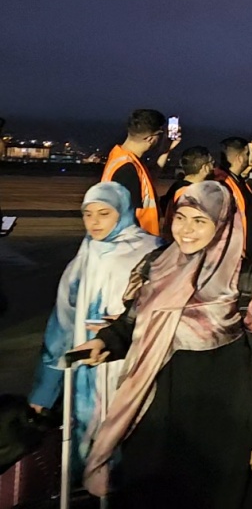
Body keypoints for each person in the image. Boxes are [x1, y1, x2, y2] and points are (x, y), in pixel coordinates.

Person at [79, 181, 252, 507]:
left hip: (219, 427)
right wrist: (105, 342)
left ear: (221, 224)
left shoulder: (245, 279)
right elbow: (132, 321)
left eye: (199, 221)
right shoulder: (157, 265)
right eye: (181, 218)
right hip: (152, 414)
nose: (186, 230)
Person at [28, 183, 161, 474]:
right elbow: (61, 325)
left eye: (104, 213)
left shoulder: (153, 252)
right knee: (89, 444)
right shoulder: (83, 259)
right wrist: (44, 392)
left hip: (133, 365)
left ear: (123, 212)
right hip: (88, 366)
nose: (95, 222)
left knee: (133, 445)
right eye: (87, 214)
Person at [101, 109, 179, 236]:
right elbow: (128, 218)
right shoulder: (127, 169)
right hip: (135, 244)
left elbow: (148, 178)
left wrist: (166, 149)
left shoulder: (123, 157)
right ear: (150, 139)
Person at [216, 137, 252, 264]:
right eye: (247, 154)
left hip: (243, 255)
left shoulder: (238, 181)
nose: (249, 159)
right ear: (240, 157)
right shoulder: (221, 183)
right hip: (232, 257)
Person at [159, 146, 214, 241]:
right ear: (205, 168)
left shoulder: (176, 187)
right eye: (212, 163)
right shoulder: (192, 194)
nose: (214, 167)